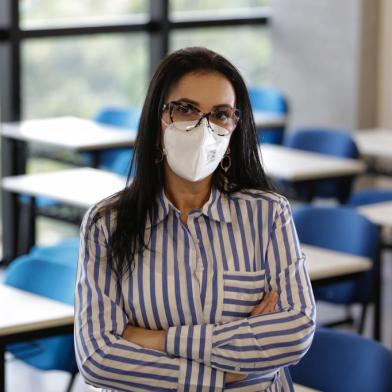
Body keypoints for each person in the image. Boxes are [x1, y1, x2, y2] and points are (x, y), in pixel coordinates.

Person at [74, 47, 316, 391]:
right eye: (185, 109)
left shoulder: (268, 214)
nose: (204, 127)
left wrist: (157, 340)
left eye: (220, 114)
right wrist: (221, 373)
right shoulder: (107, 224)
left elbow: (295, 332)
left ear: (234, 129)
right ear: (157, 122)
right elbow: (97, 360)